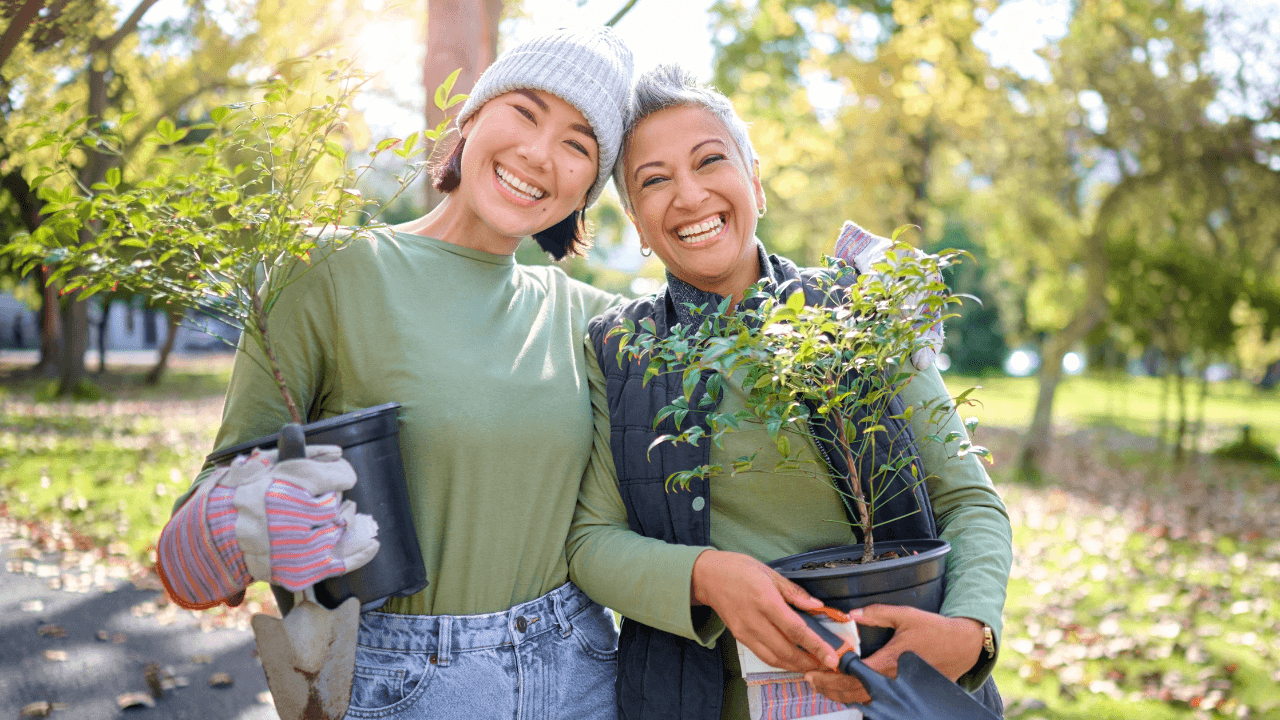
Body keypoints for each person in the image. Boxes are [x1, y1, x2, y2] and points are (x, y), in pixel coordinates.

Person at [154, 27, 634, 720]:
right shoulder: (327, 269)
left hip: (582, 670)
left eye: (578, 144)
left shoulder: (590, 319)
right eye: (525, 112)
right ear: (471, 117)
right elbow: (187, 565)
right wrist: (240, 518)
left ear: (588, 186)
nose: (539, 153)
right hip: (399, 684)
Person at [566, 64, 1012, 719]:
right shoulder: (621, 350)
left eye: (709, 161)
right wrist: (706, 577)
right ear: (635, 223)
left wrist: (972, 629)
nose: (688, 196)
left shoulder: (860, 312)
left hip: (898, 688)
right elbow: (591, 539)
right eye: (654, 181)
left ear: (756, 184)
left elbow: (969, 498)